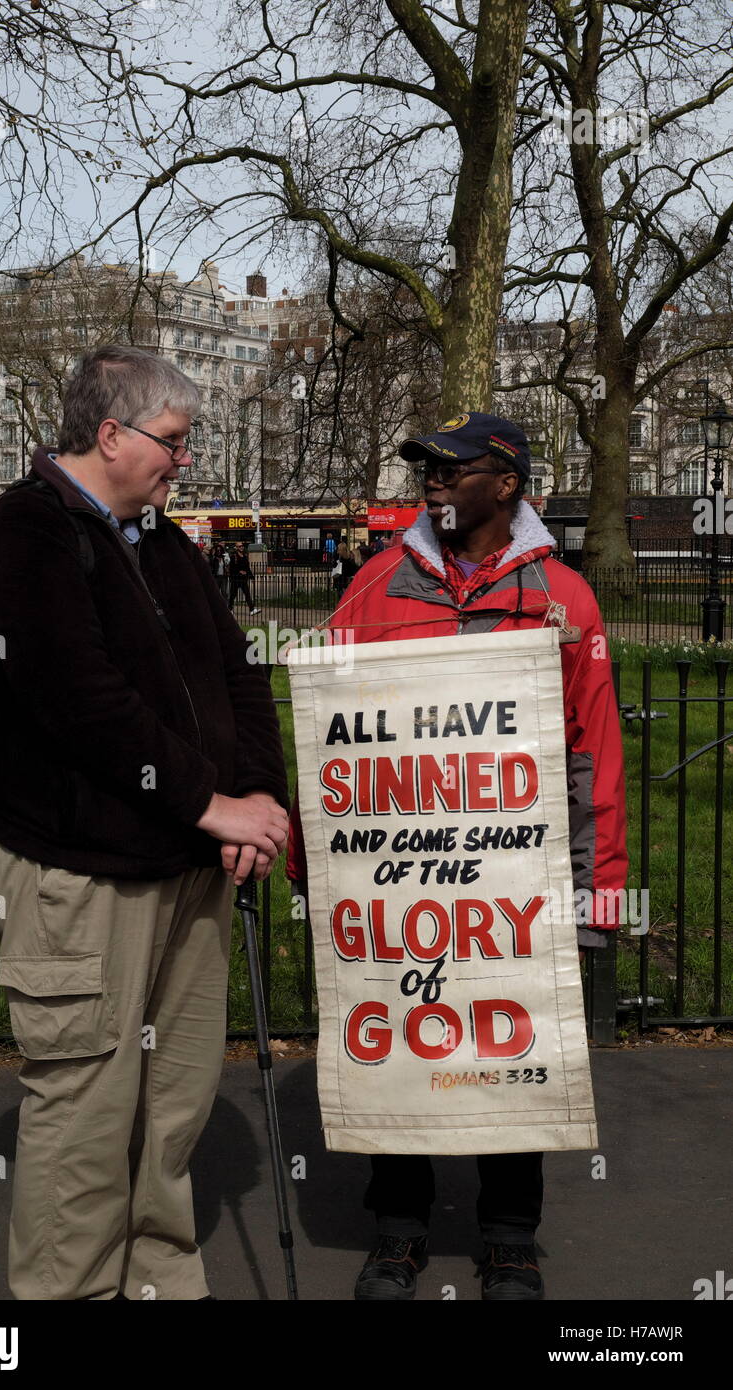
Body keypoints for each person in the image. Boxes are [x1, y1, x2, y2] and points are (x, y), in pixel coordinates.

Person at [0, 346, 290, 1300]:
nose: (183, 462)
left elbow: (237, 673)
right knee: (86, 1114)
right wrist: (205, 801)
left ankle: (158, 1286)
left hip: (187, 868)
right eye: (172, 443)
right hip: (84, 874)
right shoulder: (24, 534)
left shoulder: (162, 541)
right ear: (110, 433)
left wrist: (254, 802)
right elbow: (78, 698)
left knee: (173, 1105)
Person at [287, 410, 626, 1303]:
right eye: (425, 469)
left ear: (506, 483)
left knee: (516, 1046)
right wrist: (313, 864)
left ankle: (510, 1236)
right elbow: (332, 746)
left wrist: (599, 898)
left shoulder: (564, 600)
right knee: (402, 1039)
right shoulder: (371, 590)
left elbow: (593, 757)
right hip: (399, 880)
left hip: (520, 878)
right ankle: (397, 1229)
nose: (431, 481)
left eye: (451, 467)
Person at [228, 541, 260, 615]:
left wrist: (251, 576)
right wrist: (240, 572)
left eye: (242, 546)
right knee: (233, 595)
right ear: (236, 548)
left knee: (247, 594)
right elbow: (232, 568)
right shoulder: (234, 557)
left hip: (243, 579)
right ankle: (230, 609)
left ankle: (252, 609)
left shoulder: (244, 556)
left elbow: (247, 567)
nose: (241, 547)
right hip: (236, 579)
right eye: (239, 546)